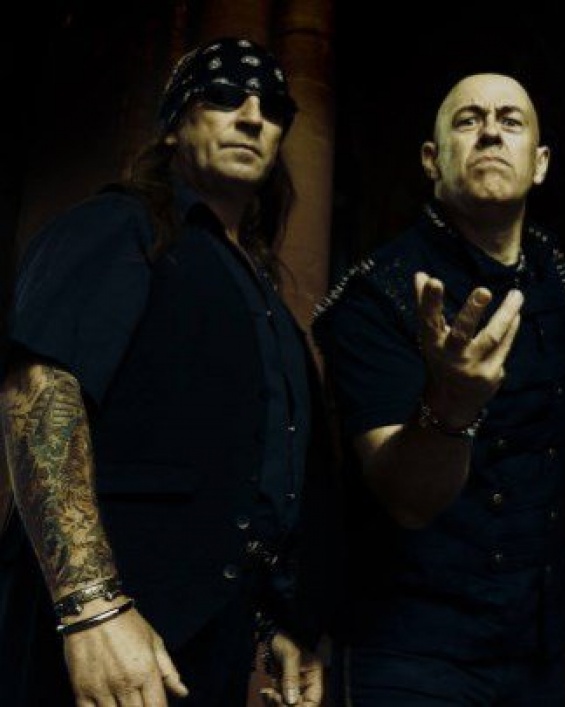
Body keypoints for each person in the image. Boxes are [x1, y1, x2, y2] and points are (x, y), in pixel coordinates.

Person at [0, 37, 338, 706]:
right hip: (99, 635)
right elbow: (40, 391)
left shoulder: (267, 303)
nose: (252, 117)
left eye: (272, 107)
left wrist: (277, 621)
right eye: (224, 96)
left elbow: (254, 482)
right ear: (175, 123)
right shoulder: (115, 227)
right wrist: (90, 607)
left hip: (204, 650)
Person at [313, 72, 565, 705]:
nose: (491, 131)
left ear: (540, 163)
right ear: (431, 161)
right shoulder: (376, 294)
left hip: (538, 647)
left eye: (510, 121)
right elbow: (407, 501)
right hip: (410, 650)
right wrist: (451, 406)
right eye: (469, 120)